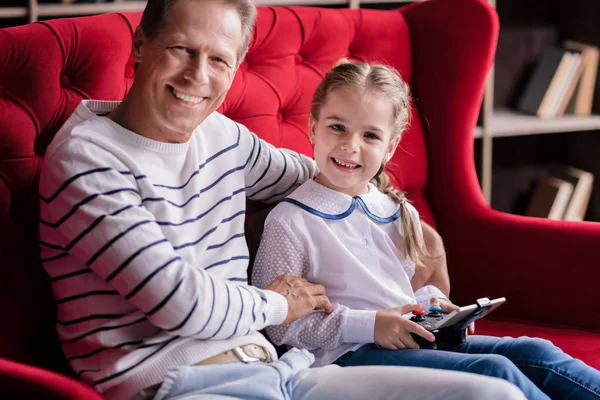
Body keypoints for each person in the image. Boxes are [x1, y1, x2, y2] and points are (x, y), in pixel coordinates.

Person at [37, 0, 529, 398]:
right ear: (141, 45)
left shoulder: (221, 137)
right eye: (182, 49)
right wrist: (277, 304)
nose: (197, 76)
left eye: (218, 59)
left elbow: (319, 174)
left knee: (495, 393)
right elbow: (178, 302)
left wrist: (410, 226)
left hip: (281, 372)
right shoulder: (88, 160)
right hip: (175, 384)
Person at [252, 60, 600, 400]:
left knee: (536, 352)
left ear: (390, 147)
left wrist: (435, 307)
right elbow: (279, 324)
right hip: (347, 358)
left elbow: (403, 291)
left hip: (413, 338)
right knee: (496, 371)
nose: (350, 145)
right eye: (337, 127)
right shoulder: (290, 220)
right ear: (313, 127)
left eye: (370, 135)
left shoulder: (393, 209)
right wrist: (371, 325)